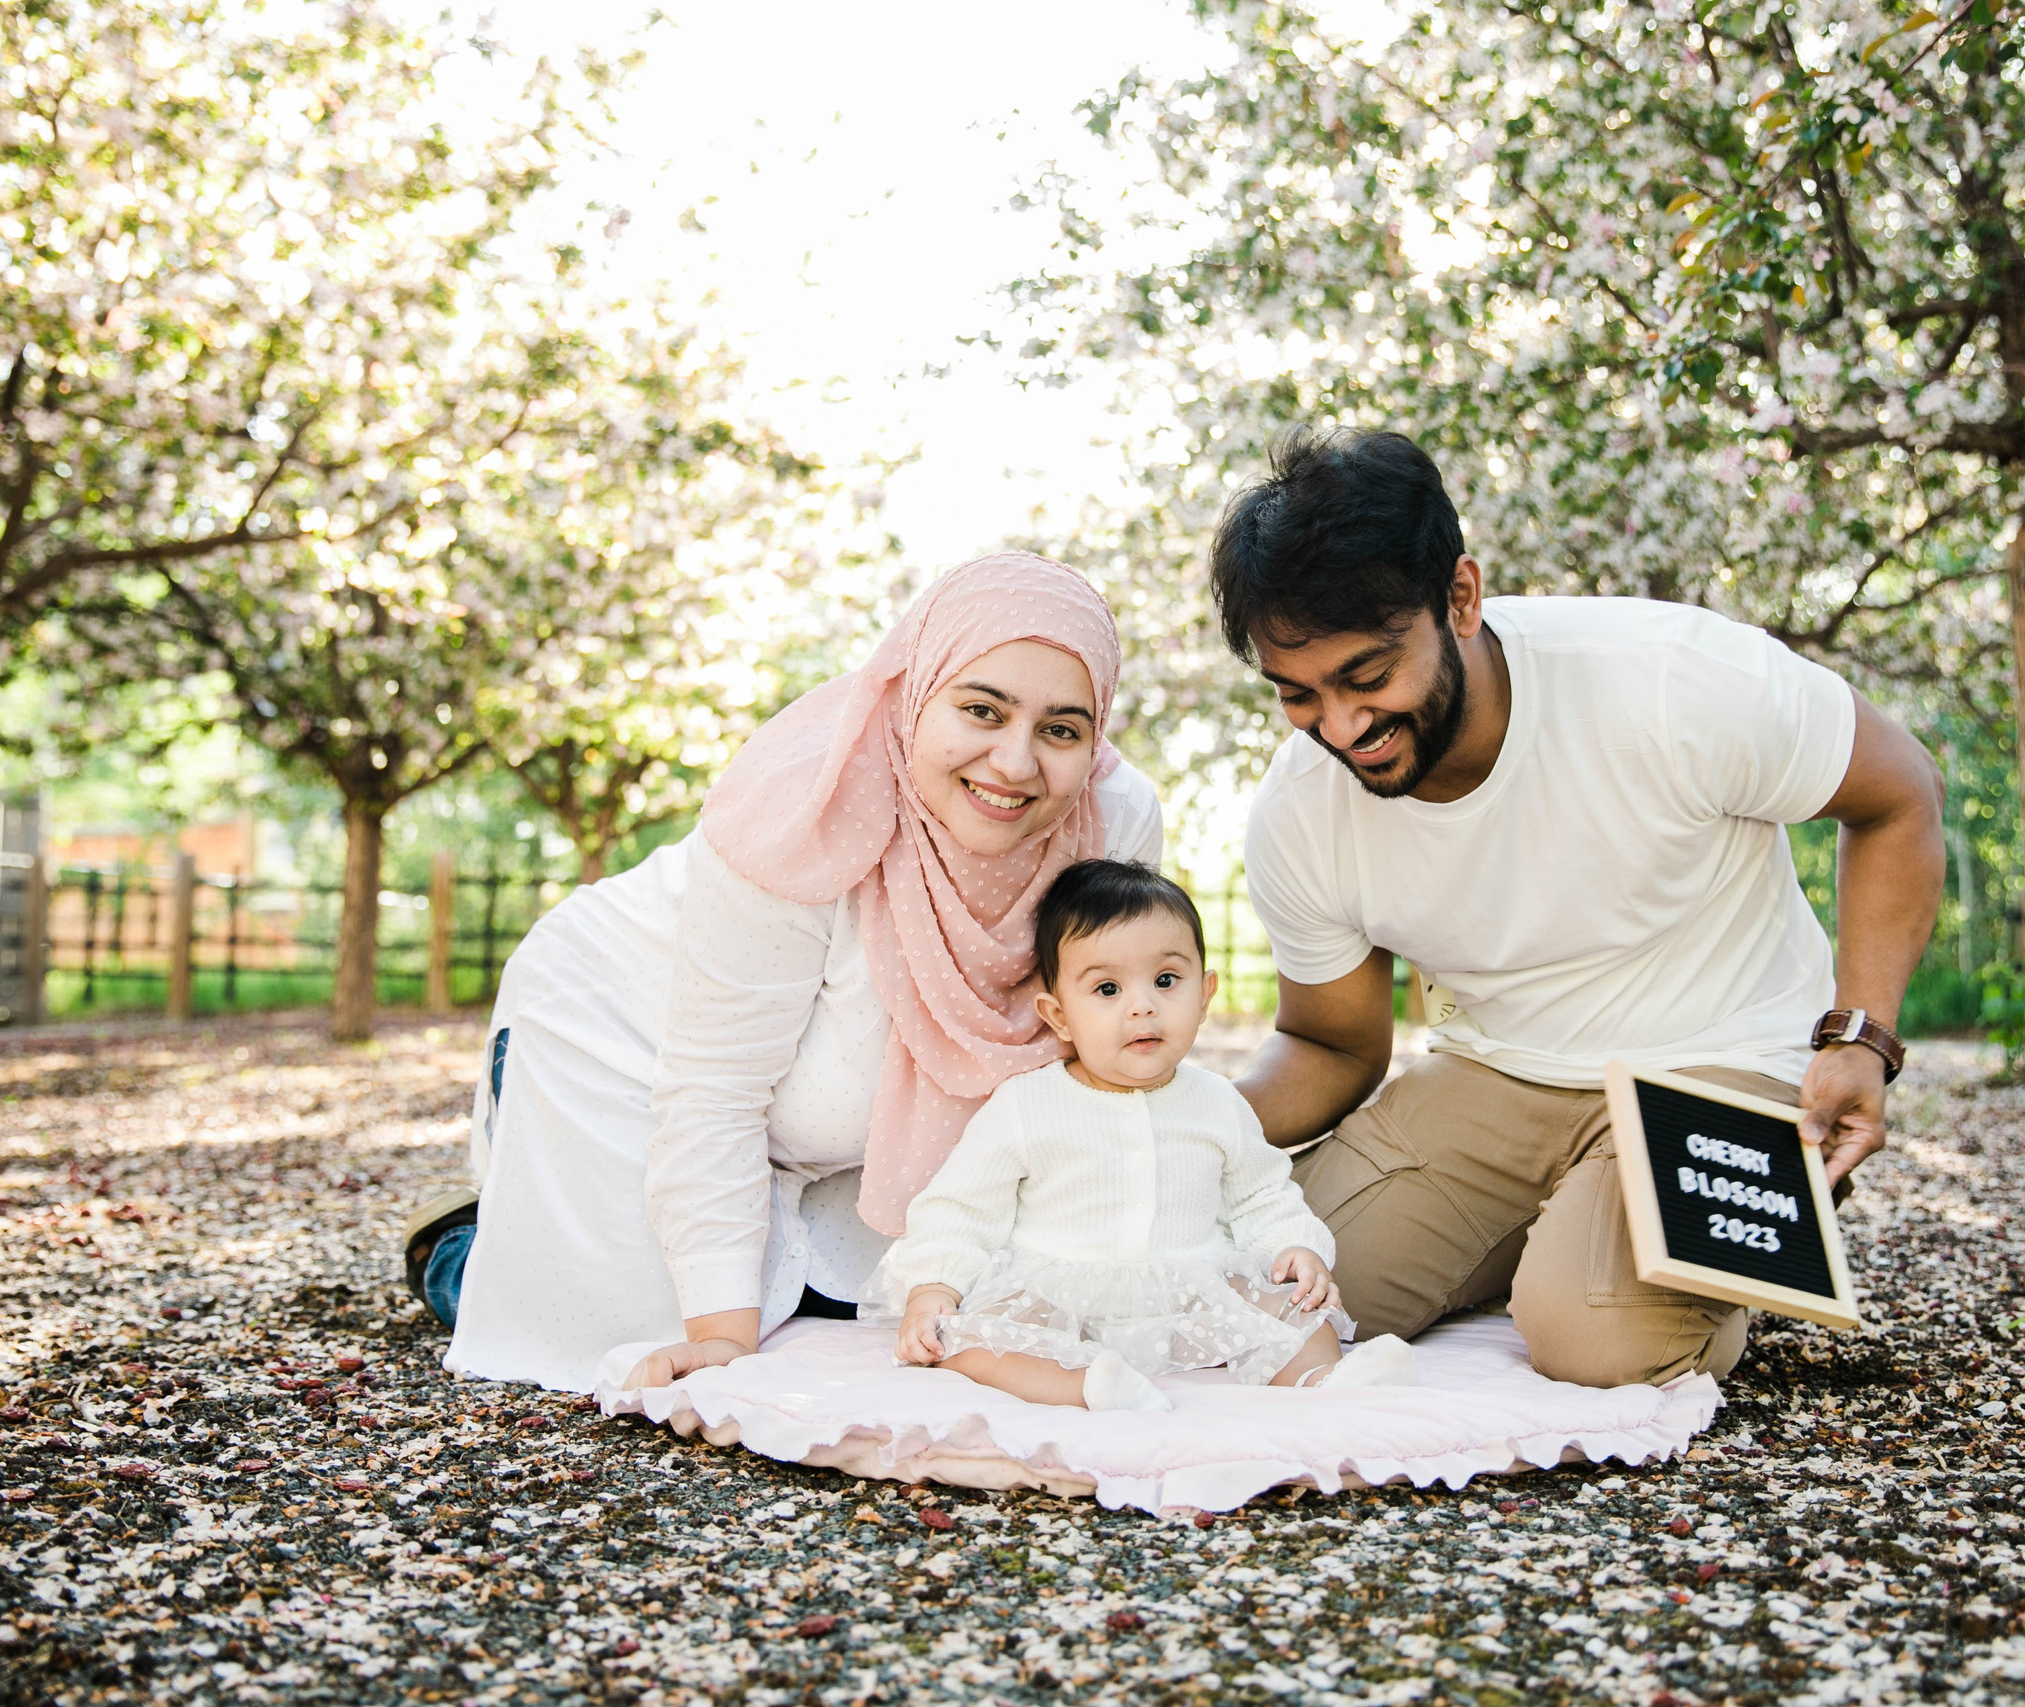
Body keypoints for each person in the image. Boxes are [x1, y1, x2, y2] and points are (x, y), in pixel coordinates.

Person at [1218, 429, 1947, 1390]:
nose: (1342, 729)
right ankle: (1560, 1227)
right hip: (1499, 1073)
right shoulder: (1300, 811)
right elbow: (1329, 1047)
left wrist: (1859, 1038)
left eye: (1368, 677)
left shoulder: (1668, 676)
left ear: (1461, 599)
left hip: (1725, 1054)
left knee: (1589, 1337)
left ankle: (1705, 1254)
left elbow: (1899, 793)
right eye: (1299, 695)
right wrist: (1185, 1129)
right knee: (1260, 1295)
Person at [407, 554, 1165, 1393]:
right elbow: (714, 1088)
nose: (1015, 764)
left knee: (893, 1320)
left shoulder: (1113, 819)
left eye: (1061, 728)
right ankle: (468, 1246)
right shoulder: (808, 808)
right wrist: (723, 1345)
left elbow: (1098, 1062)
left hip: (838, 1128)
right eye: (981, 709)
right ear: (918, 692)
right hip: (625, 1035)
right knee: (633, 1336)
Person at [873, 860, 1418, 1408]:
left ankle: (1323, 1380)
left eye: (1165, 981)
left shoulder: (1217, 1102)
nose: (1142, 1005)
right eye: (1107, 988)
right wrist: (935, 1285)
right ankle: (1087, 1387)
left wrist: (1292, 1246)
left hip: (1189, 1286)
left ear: (1204, 994)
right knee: (963, 1340)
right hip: (1059, 1291)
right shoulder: (1026, 1104)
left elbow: (1261, 1194)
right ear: (1058, 1016)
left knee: (1295, 1306)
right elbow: (961, 1208)